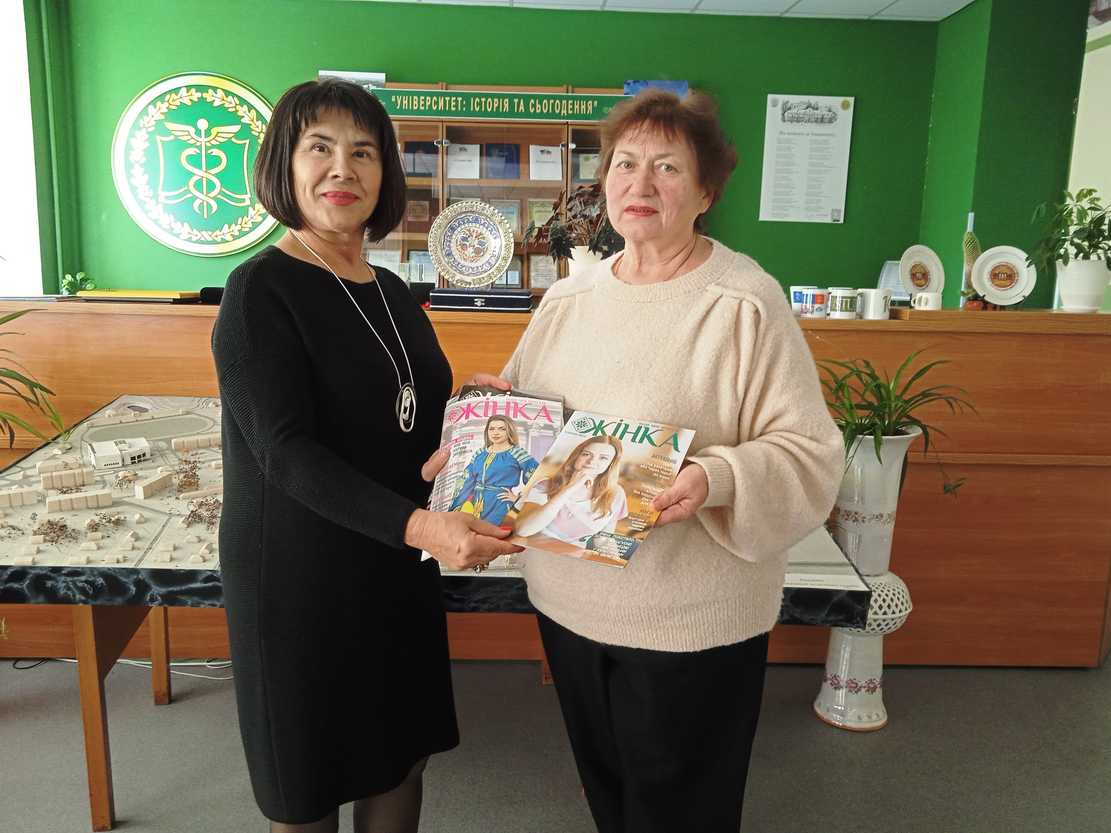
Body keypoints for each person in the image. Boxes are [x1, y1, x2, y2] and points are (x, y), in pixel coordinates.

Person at [462, 88, 845, 833]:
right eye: (625, 163)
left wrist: (716, 477)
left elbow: (808, 450)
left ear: (705, 192)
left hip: (691, 619)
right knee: (608, 795)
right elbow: (529, 424)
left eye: (667, 166)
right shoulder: (568, 298)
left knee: (682, 812)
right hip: (569, 604)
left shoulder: (743, 301)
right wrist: (487, 415)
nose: (640, 182)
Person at [211, 78, 519, 833]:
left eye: (363, 152)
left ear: (384, 174)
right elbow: (284, 453)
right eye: (319, 148)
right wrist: (421, 528)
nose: (341, 169)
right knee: (310, 785)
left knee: (399, 756)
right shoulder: (259, 291)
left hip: (393, 568)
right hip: (301, 580)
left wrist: (470, 411)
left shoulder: (390, 289)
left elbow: (404, 417)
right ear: (284, 164)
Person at [512, 436, 628, 546]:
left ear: (611, 464)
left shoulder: (616, 494)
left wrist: (613, 557)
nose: (591, 461)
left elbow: (605, 539)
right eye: (586, 454)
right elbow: (523, 531)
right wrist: (569, 488)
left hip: (574, 555)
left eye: (603, 458)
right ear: (576, 456)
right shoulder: (545, 484)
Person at [448, 415, 538, 526]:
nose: (495, 433)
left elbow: (538, 479)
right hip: (475, 504)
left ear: (509, 431)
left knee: (495, 533)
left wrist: (518, 500)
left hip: (500, 505)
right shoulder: (479, 453)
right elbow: (466, 480)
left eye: (501, 429)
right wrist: (455, 508)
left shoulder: (517, 453)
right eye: (492, 429)